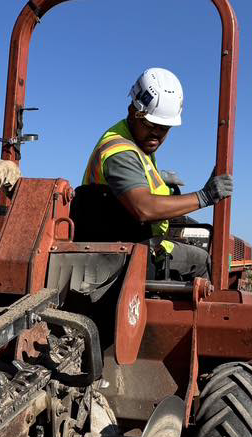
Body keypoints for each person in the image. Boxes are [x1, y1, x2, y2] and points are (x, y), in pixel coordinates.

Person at [81, 67, 233, 280]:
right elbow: (143, 208)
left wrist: (158, 177)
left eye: (164, 128)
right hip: (128, 248)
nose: (156, 134)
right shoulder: (120, 151)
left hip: (133, 237)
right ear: (132, 111)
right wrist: (204, 197)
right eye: (150, 124)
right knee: (202, 259)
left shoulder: (136, 144)